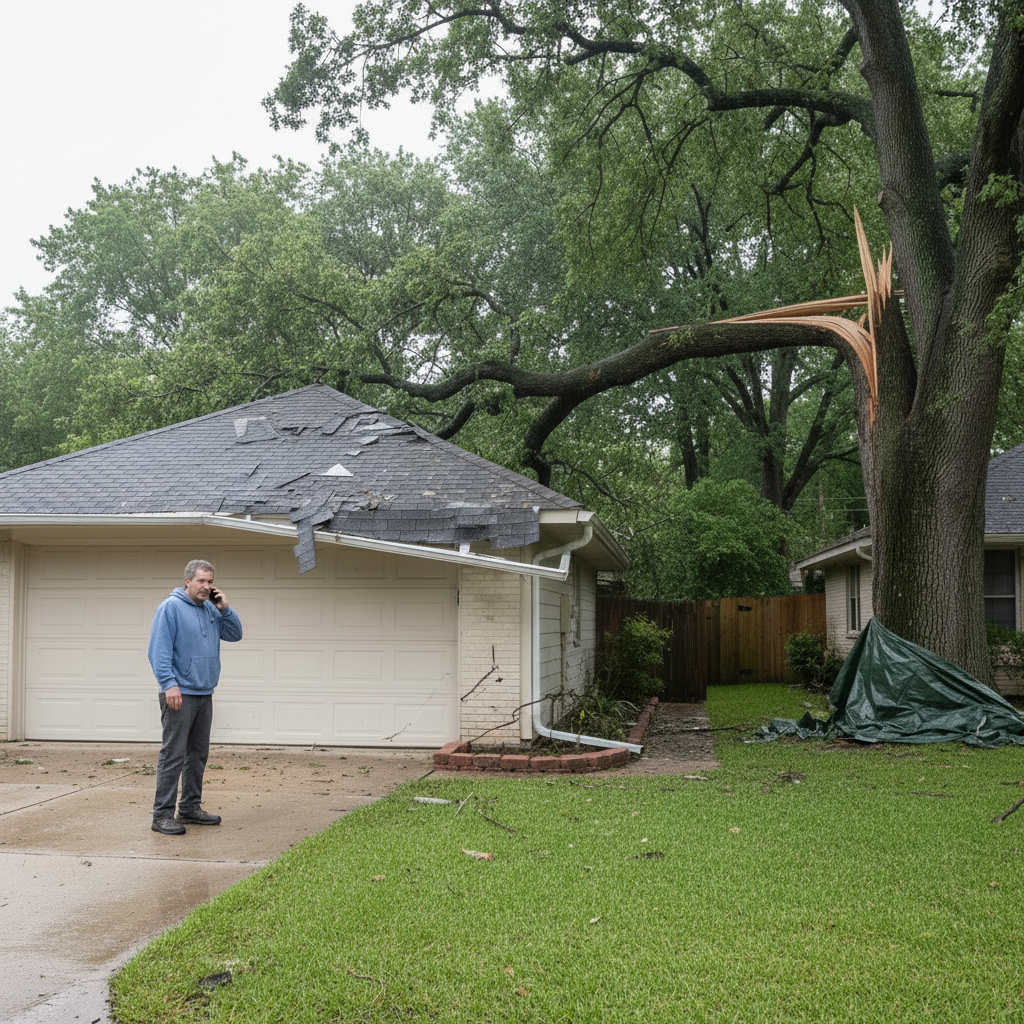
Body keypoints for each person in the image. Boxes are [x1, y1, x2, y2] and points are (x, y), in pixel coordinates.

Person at [148, 559, 243, 835]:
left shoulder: (212, 609)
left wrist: (225, 609)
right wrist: (169, 684)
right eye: (201, 581)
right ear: (187, 581)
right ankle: (161, 815)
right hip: (179, 694)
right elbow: (158, 651)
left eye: (210, 581)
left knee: (198, 754)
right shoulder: (170, 608)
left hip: (204, 692)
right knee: (173, 755)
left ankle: (189, 808)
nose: (206, 586)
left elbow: (235, 634)